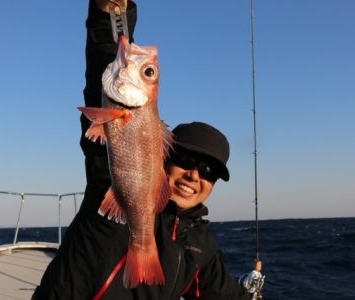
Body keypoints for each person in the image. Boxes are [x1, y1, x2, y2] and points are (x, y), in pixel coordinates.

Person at [32, 1, 263, 299]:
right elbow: (106, 67)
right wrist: (112, 13)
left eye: (209, 171)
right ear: (162, 156)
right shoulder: (110, 190)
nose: (194, 175)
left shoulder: (200, 243)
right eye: (186, 160)